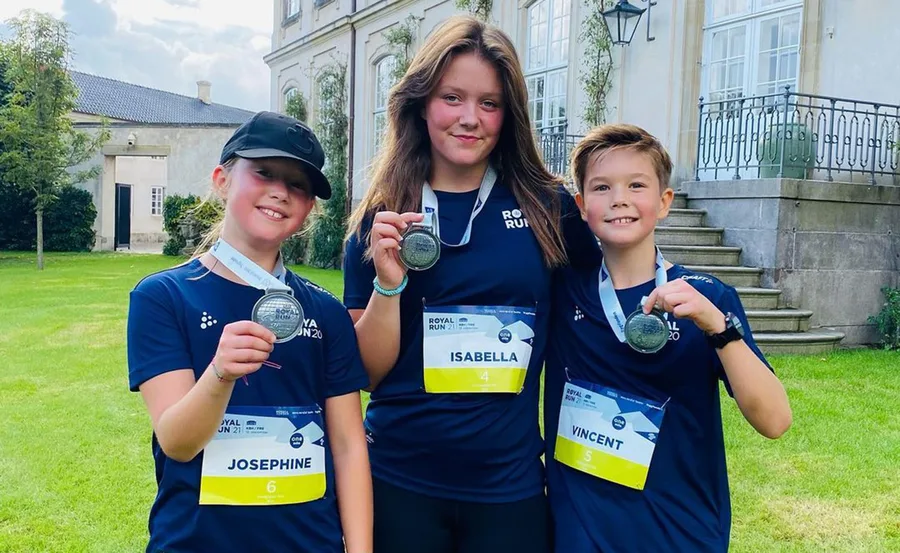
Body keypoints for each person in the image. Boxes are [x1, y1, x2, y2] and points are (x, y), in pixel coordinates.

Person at [342, 15, 600, 553]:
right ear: (420, 102)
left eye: (489, 103)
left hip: (509, 490)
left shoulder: (549, 208)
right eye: (452, 97)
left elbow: (609, 294)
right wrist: (388, 286)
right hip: (398, 481)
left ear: (509, 115)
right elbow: (365, 374)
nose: (469, 118)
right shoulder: (381, 219)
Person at [126, 111, 373, 553]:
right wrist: (219, 375)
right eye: (263, 172)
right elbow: (177, 442)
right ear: (222, 180)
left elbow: (348, 446)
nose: (280, 191)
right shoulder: (164, 297)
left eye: (298, 184)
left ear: (309, 210)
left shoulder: (326, 312)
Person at [544, 123, 793, 552]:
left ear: (664, 202)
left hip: (680, 533)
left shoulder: (707, 298)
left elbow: (774, 420)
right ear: (582, 205)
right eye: (602, 187)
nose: (619, 198)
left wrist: (717, 327)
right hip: (582, 533)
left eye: (636, 185)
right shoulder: (561, 291)